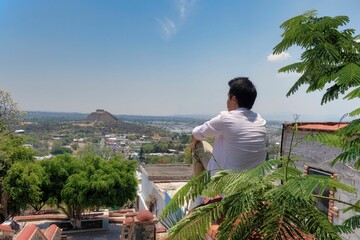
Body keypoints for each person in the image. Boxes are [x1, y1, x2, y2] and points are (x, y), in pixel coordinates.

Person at [191, 77, 267, 176]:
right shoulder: (260, 121)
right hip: (252, 182)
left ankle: (200, 189)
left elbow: (195, 133)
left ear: (233, 99)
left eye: (228, 97)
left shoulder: (226, 118)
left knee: (198, 145)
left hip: (225, 182)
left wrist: (193, 144)